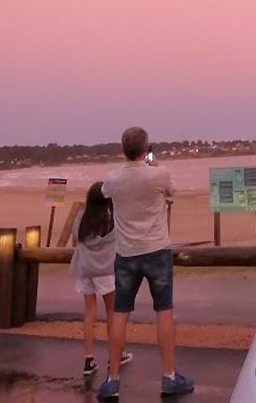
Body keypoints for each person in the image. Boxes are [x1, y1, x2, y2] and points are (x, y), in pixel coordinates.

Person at [97, 127, 193, 400]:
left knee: (120, 313)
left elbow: (104, 192)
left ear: (122, 149)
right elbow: (172, 192)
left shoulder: (114, 178)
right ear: (145, 148)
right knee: (163, 311)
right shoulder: (159, 174)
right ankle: (169, 375)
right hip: (156, 250)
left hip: (126, 253)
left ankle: (113, 379)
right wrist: (156, 168)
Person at [70, 181, 133, 376]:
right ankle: (115, 355)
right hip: (106, 270)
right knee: (112, 314)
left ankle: (89, 359)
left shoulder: (81, 217)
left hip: (85, 269)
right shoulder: (112, 219)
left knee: (89, 315)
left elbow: (75, 240)